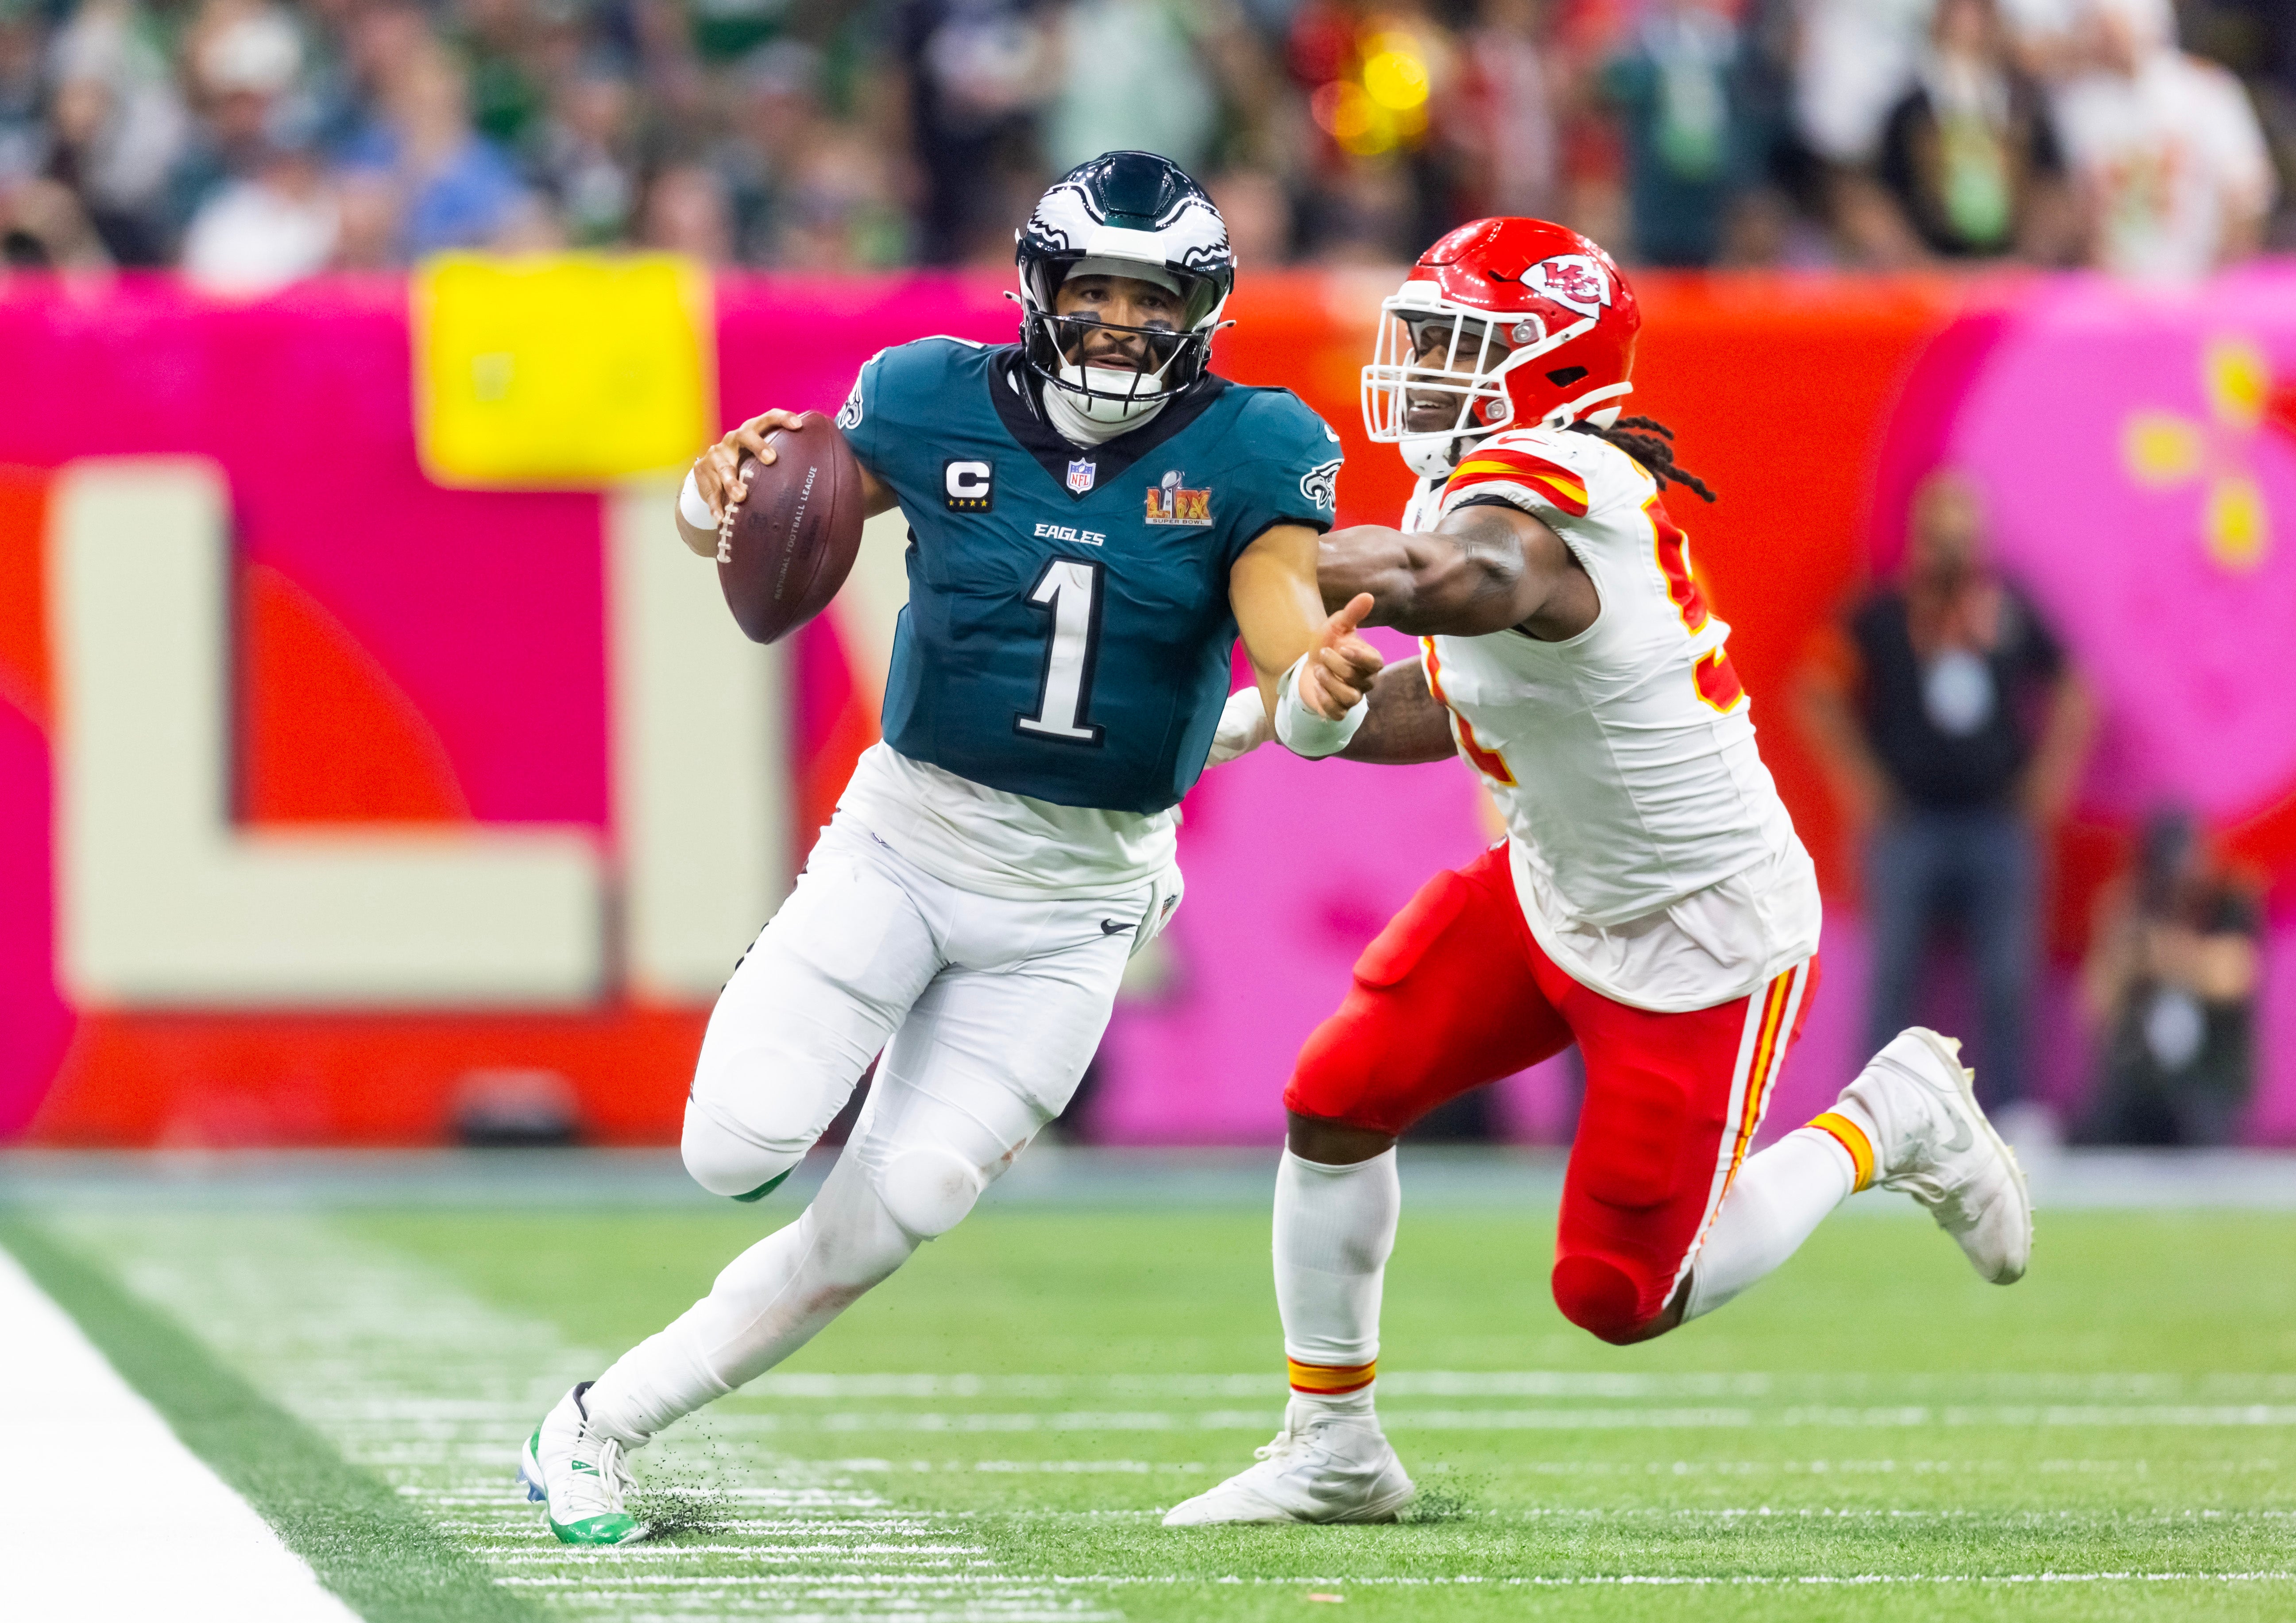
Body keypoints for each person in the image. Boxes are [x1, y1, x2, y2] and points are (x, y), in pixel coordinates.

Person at [517, 151, 1384, 1546]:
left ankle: (592, 1425)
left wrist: (1314, 698)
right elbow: (758, 518)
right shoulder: (927, 394)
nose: (1116, 321)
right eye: (1093, 288)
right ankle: (788, 971)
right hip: (910, 838)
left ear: (1201, 308)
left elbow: (1285, 625)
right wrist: (708, 492)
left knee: (900, 1203)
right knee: (729, 1148)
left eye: (1149, 295)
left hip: (1078, 896)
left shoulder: (1254, 445)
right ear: (1038, 288)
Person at [1167, 217, 2032, 1526]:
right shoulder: (1472, 484)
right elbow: (1469, 697)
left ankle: (1889, 1118)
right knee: (1337, 1095)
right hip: (1551, 878)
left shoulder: (1561, 491)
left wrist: (1236, 544)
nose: (1427, 368)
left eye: (1464, 344)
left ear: (1557, 368)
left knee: (1623, 1295)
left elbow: (1450, 580)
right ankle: (1333, 1449)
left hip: (1696, 925)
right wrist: (1292, 714)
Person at [1796, 471, 2093, 1134]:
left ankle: (2013, 1110)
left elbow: (2074, 687)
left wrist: (2050, 777)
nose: (1951, 553)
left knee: (2007, 974)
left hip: (1996, 820)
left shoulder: (2007, 613)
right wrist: (1859, 783)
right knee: (1894, 970)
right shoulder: (1881, 614)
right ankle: (1873, 1116)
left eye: (1962, 538)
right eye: (1938, 538)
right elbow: (1815, 689)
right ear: (1917, 541)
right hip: (1909, 823)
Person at [2078, 808, 2260, 1147]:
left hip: (2206, 1080)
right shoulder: (2131, 907)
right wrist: (2121, 951)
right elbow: (2095, 1007)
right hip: (2139, 1081)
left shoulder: (2229, 903)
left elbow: (2233, 978)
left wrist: (2164, 953)